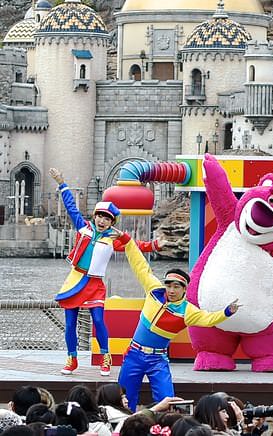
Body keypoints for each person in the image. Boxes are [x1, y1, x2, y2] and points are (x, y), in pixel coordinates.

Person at [49, 168, 159, 376]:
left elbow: (133, 246)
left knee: (99, 321)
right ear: (95, 216)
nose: (102, 221)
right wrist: (62, 183)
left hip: (95, 285)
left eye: (107, 218)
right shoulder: (83, 228)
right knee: (70, 323)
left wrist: (153, 245)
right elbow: (71, 208)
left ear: (112, 222)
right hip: (75, 280)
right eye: (100, 216)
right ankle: (72, 358)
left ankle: (105, 357)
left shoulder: (112, 239)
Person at [119, 242, 239, 411]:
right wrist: (127, 241)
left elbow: (209, 319)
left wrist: (226, 312)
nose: (171, 290)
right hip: (134, 354)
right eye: (168, 286)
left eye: (176, 287)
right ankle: (124, 424)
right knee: (125, 398)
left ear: (184, 289)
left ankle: (165, 424)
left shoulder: (187, 310)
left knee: (167, 400)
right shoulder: (154, 291)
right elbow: (140, 266)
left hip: (157, 359)